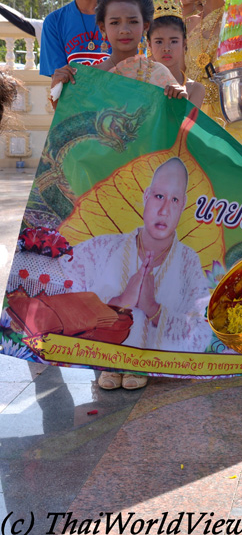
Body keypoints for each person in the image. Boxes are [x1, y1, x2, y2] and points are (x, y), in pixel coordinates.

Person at [59, 158, 210, 381]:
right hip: (104, 360)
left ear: (183, 205)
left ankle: (138, 367)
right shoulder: (104, 248)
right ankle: (110, 365)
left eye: (175, 200)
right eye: (159, 196)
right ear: (146, 196)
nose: (165, 210)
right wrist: (120, 302)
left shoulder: (188, 261)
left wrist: (152, 308)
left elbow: (200, 333)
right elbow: (58, 292)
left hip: (161, 368)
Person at [148, 0, 206, 108]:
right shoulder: (142, 84)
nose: (166, 48)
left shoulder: (195, 89)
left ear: (184, 43)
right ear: (149, 44)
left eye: (173, 41)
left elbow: (187, 125)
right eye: (159, 42)